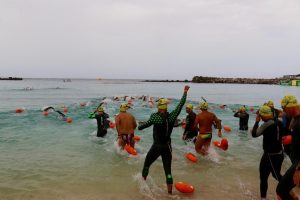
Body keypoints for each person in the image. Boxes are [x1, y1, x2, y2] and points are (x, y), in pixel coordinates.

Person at [138, 85, 189, 194]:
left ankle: (143, 187)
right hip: (167, 147)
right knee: (168, 172)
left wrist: (139, 126)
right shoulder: (171, 117)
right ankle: (170, 193)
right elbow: (180, 105)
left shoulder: (155, 116)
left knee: (147, 165)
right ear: (166, 107)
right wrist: (185, 92)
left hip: (156, 146)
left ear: (158, 107)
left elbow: (143, 126)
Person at [251, 105, 284, 200]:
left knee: (263, 177)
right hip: (280, 153)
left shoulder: (267, 124)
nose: (260, 118)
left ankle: (263, 198)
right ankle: (290, 192)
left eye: (261, 116)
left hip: (270, 156)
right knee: (276, 174)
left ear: (264, 115)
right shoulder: (280, 122)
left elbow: (254, 134)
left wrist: (257, 122)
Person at [276, 95, 300, 200]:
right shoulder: (296, 117)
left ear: (290, 106)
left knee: (281, 190)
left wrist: (299, 169)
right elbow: (290, 128)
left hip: (299, 163)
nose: (283, 111)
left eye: (284, 108)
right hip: (296, 160)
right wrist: (291, 137)